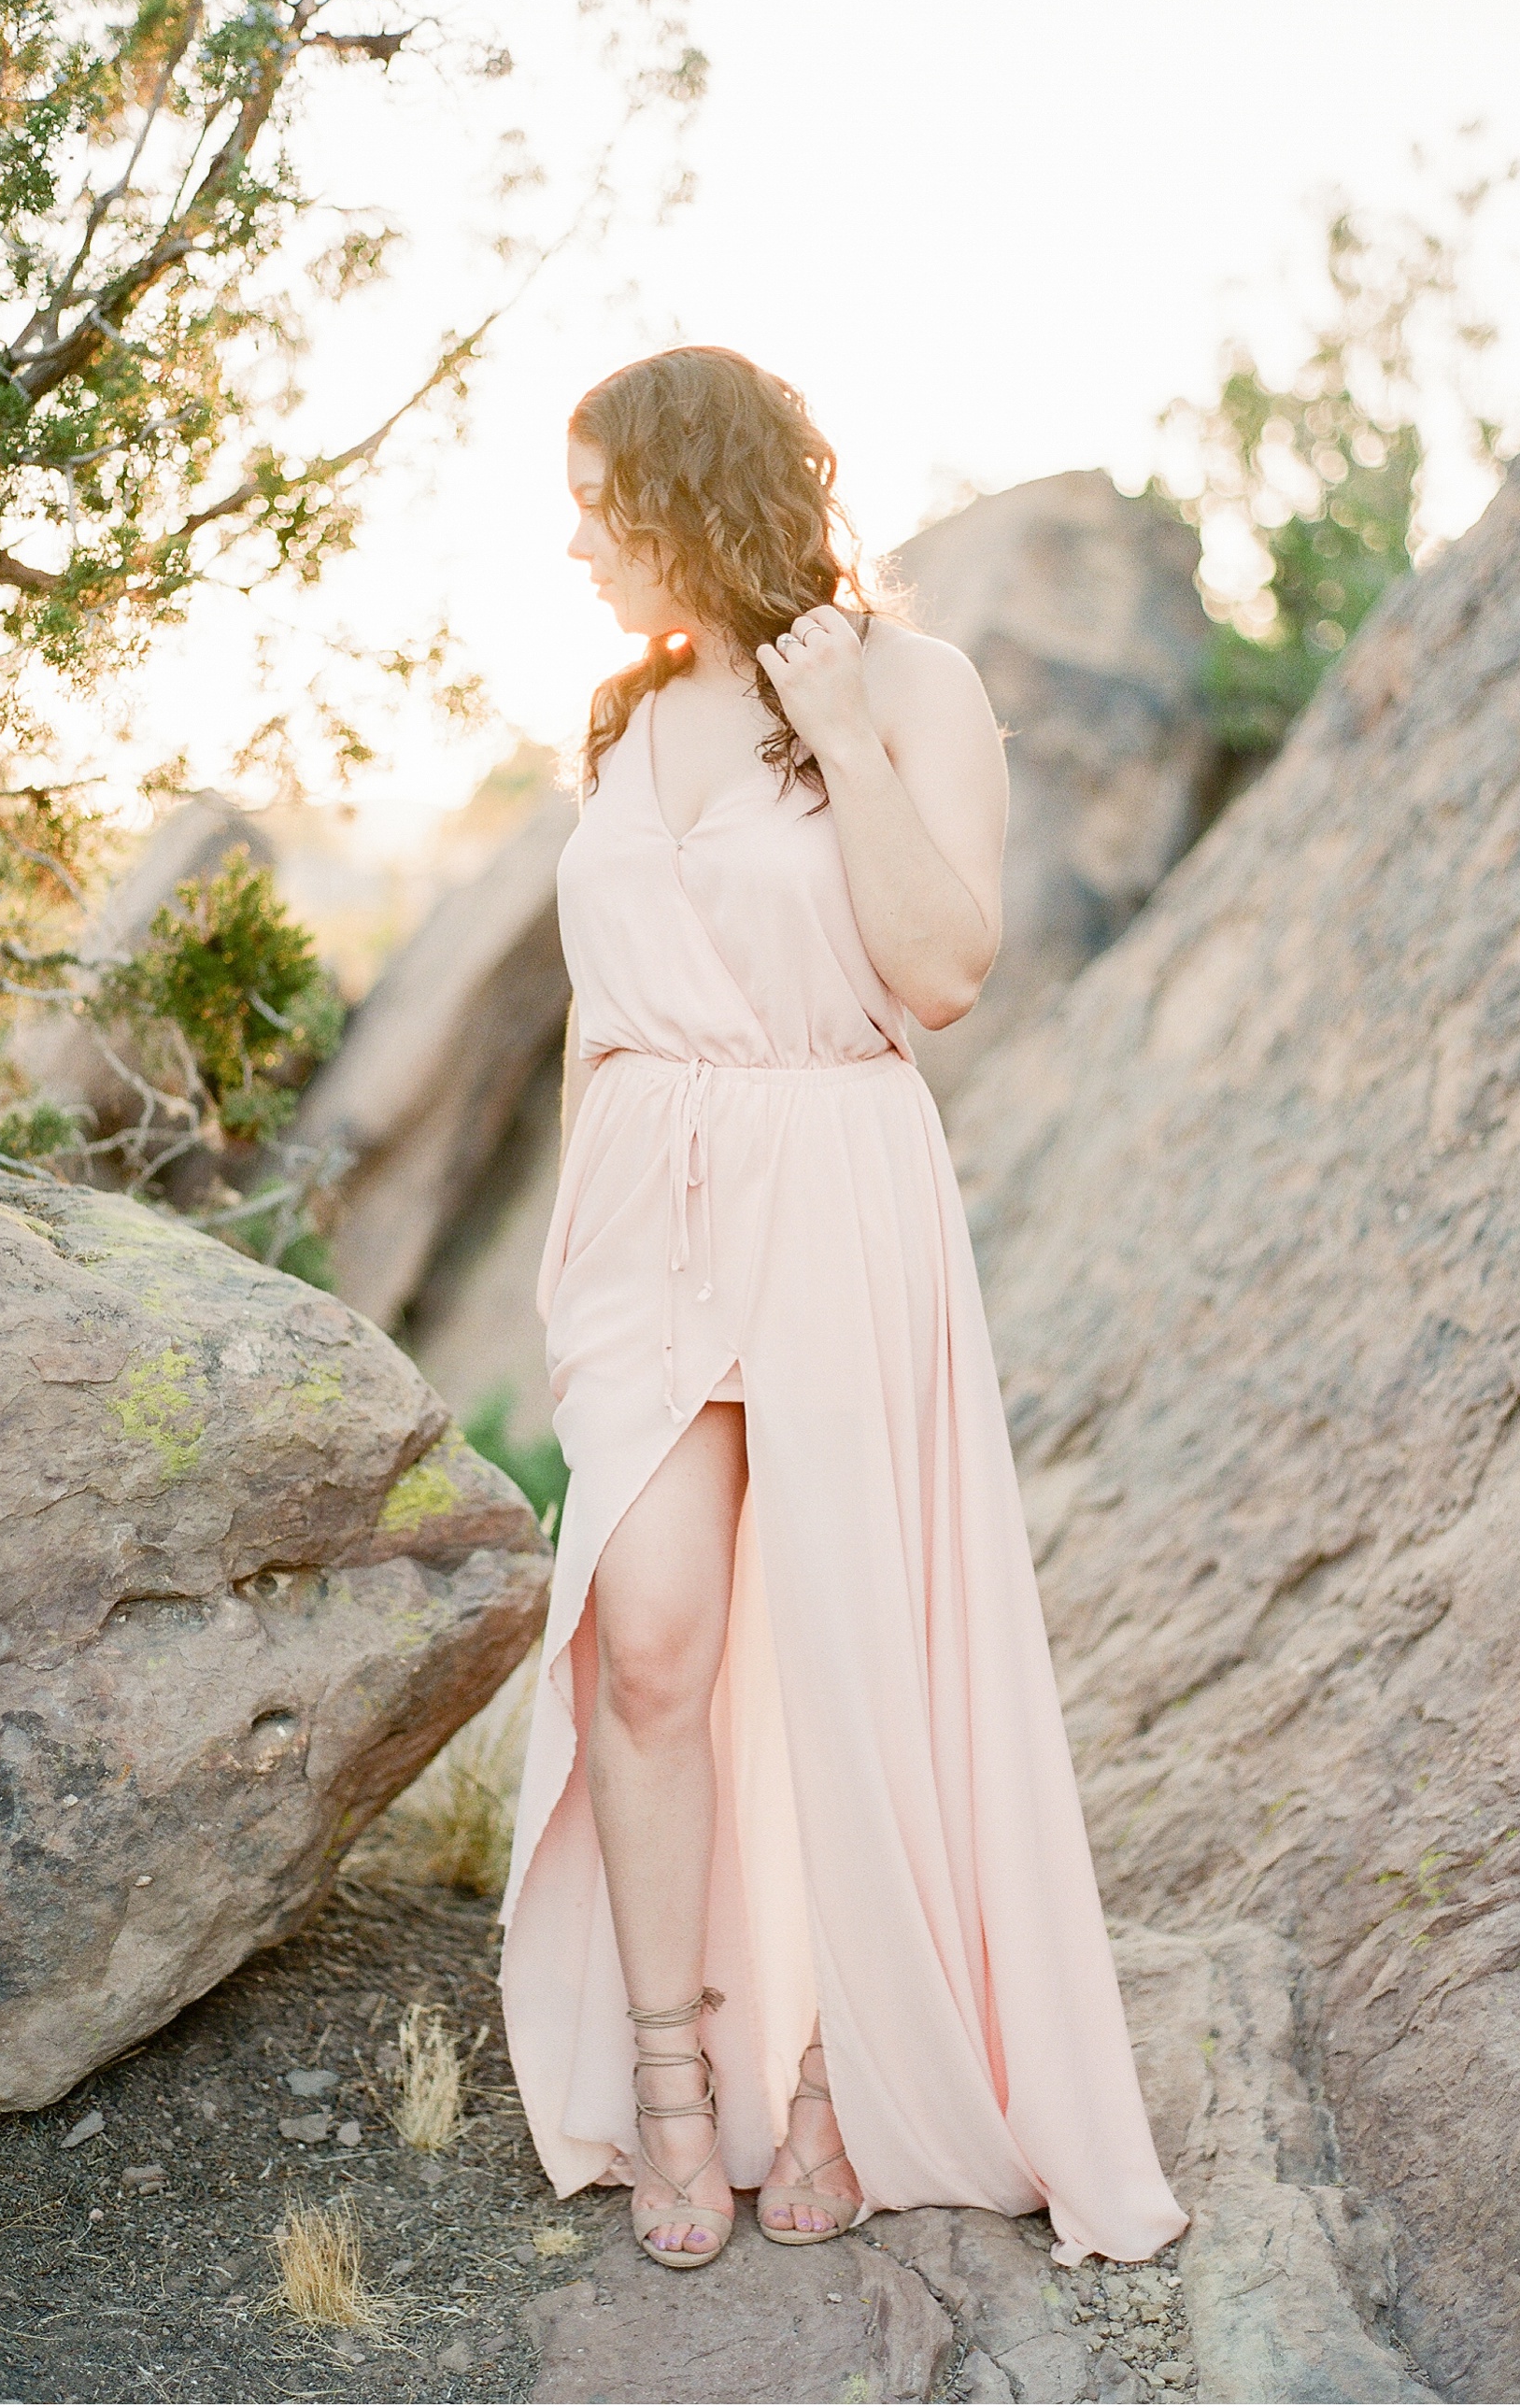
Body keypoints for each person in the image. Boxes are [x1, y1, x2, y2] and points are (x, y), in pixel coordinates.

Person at [497, 346, 1186, 2273]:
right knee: (648, 1647)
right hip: (645, 1209)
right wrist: (572, 1257)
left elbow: (946, 965)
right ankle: (662, 2079)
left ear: (689, 493)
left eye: (595, 502)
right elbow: (597, 1006)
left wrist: (847, 738)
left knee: (843, 1649)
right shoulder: (623, 721)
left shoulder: (908, 684)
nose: (572, 544)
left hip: (834, 1185)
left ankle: (827, 2079)